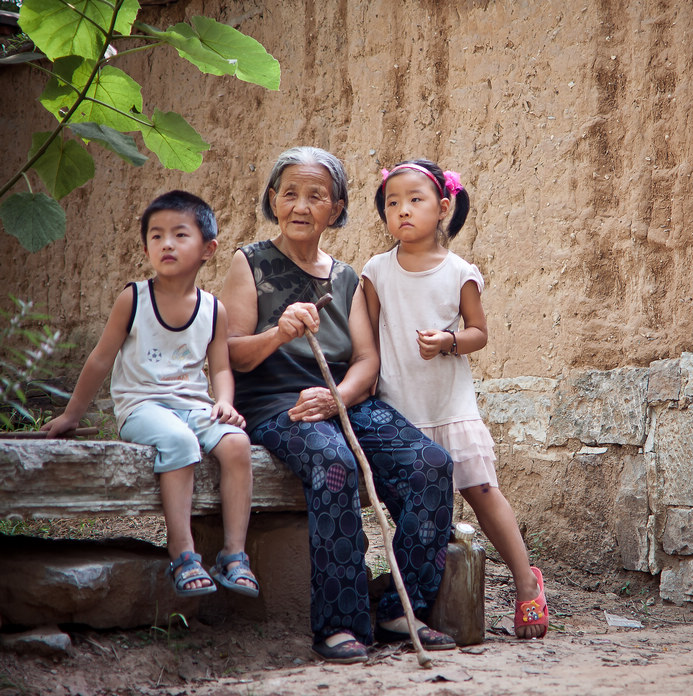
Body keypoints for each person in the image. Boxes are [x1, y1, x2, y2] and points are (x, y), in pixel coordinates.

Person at [218, 146, 457, 664]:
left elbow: (367, 362)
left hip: (340, 400)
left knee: (432, 465)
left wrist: (338, 397)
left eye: (316, 196)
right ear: (273, 202)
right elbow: (230, 354)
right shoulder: (250, 262)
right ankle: (340, 623)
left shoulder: (346, 277)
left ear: (337, 208)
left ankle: (401, 608)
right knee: (334, 463)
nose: (301, 206)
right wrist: (277, 334)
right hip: (279, 406)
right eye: (289, 194)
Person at [362, 159, 549, 640]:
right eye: (392, 202)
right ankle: (404, 598)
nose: (402, 210)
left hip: (450, 404)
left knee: (482, 492)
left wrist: (448, 342)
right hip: (399, 408)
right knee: (410, 508)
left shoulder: (459, 271)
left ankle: (527, 584)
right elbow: (367, 341)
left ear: (443, 207)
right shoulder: (376, 271)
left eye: (415, 200)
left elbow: (479, 333)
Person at [42, 190, 259, 600]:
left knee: (236, 445)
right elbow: (99, 360)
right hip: (142, 407)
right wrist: (73, 415)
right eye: (156, 237)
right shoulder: (134, 299)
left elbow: (222, 367)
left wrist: (225, 402)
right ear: (145, 248)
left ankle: (234, 554)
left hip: (193, 407)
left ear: (208, 249)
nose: (167, 244)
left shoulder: (214, 309)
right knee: (178, 442)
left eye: (180, 234)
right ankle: (183, 552)